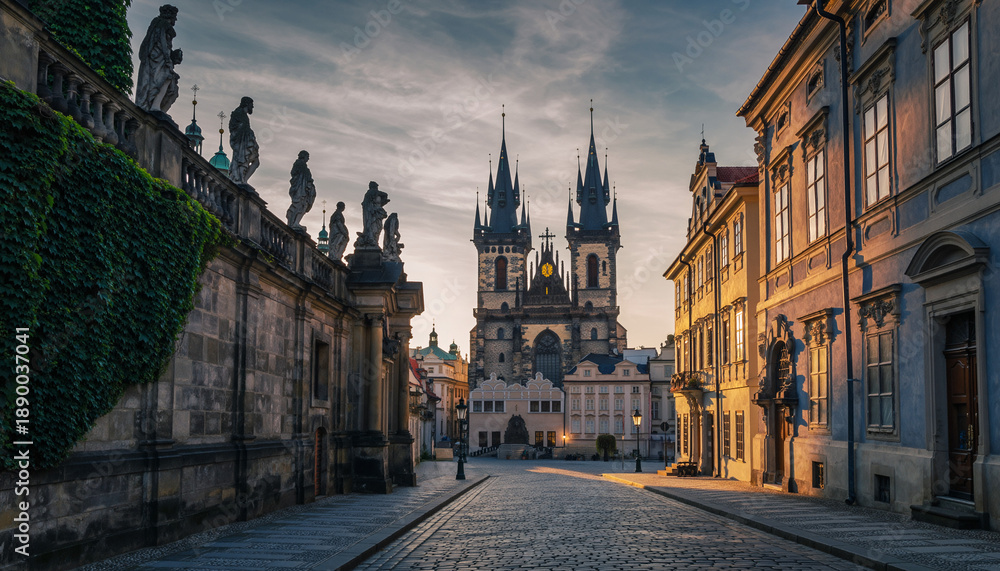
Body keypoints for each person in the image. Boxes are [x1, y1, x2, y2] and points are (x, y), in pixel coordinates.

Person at [135, 5, 182, 114]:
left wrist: (172, 56)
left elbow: (165, 45)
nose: (175, 20)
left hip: (160, 58)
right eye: (174, 17)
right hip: (157, 58)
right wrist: (167, 58)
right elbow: (162, 42)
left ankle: (158, 106)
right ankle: (154, 105)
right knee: (165, 77)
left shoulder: (162, 26)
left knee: (171, 85)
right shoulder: (161, 24)